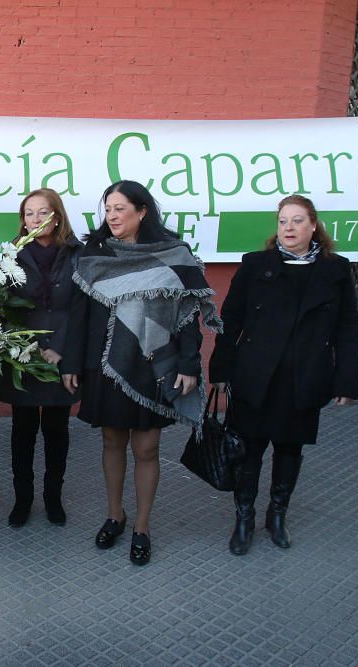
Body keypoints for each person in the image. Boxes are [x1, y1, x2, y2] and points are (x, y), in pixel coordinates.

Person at [72, 180, 218, 565]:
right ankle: (115, 515)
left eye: (121, 209)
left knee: (147, 447)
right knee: (112, 442)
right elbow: (79, 314)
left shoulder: (173, 254)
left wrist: (189, 364)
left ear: (142, 212)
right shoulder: (94, 253)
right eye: (108, 209)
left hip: (154, 364)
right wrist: (73, 364)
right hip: (106, 364)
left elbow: (187, 314)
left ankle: (142, 526)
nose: (113, 216)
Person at [209, 194, 358, 556]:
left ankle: (277, 515)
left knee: (290, 450)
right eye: (282, 221)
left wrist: (345, 380)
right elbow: (231, 320)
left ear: (313, 226)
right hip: (256, 377)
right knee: (249, 452)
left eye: (296, 221)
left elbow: (347, 329)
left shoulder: (335, 269)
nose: (288, 228)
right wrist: (220, 369)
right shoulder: (255, 264)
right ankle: (243, 518)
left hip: (306, 378)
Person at [0, 189, 84, 527]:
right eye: (29, 214)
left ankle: (52, 498)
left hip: (62, 355)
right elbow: (3, 307)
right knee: (23, 430)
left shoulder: (78, 254)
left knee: (57, 430)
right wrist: (29, 348)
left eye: (42, 212)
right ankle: (22, 500)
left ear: (57, 216)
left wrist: (60, 349)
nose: (35, 219)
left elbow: (81, 309)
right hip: (22, 355)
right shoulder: (11, 255)